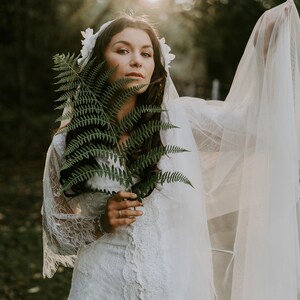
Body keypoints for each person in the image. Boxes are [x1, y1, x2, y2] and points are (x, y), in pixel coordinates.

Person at [42, 1, 300, 299]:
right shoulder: (67, 142)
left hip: (178, 284)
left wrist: (267, 56)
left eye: (146, 53)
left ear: (156, 66)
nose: (137, 60)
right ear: (99, 62)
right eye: (123, 50)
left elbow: (252, 128)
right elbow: (57, 232)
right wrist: (102, 222)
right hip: (102, 286)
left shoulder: (179, 122)